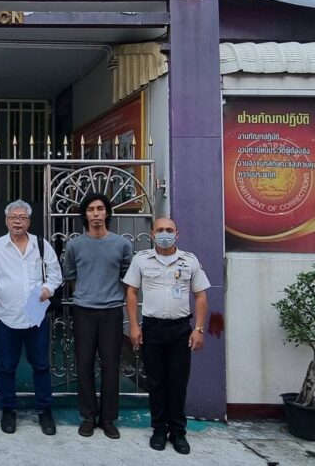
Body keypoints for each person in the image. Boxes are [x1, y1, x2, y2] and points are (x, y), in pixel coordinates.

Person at [124, 217, 210, 455]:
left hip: (181, 330)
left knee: (178, 384)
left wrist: (199, 329)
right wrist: (134, 326)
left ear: (177, 234)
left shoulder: (189, 261)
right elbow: (131, 292)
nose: (164, 234)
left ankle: (178, 432)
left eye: (169, 230)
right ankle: (159, 430)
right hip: (152, 328)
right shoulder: (141, 260)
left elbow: (201, 296)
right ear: (152, 234)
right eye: (160, 230)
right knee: (156, 383)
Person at [0, 200, 62, 436]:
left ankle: (44, 410)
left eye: (22, 217)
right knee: (7, 367)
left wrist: (48, 288)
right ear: (6, 221)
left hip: (36, 316)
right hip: (7, 316)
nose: (17, 221)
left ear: (29, 221)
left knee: (41, 366)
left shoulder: (41, 245)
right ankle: (8, 410)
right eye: (13, 217)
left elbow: (55, 275)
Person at [62, 192, 132, 439]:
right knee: (84, 364)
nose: (95, 214)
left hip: (111, 311)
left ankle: (108, 418)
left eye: (100, 209)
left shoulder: (122, 245)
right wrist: (86, 294)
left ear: (107, 213)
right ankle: (89, 416)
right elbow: (70, 275)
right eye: (90, 209)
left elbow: (128, 277)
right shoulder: (75, 245)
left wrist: (111, 295)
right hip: (83, 311)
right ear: (85, 215)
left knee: (111, 366)